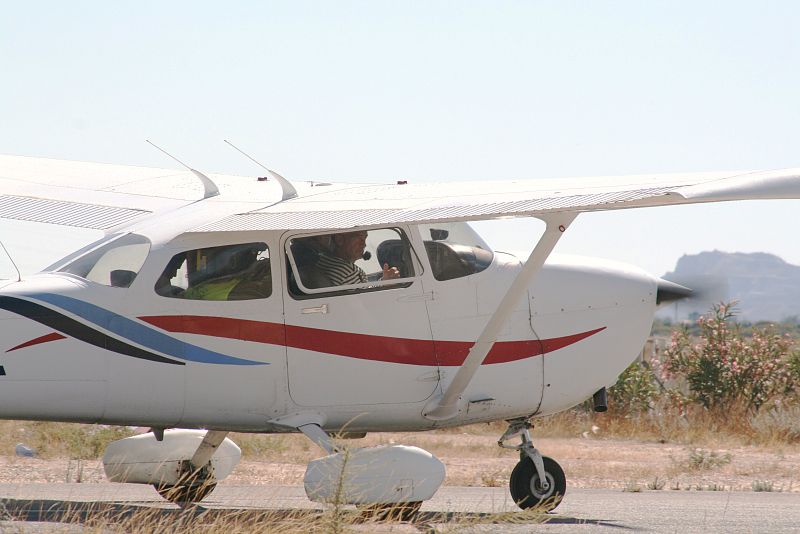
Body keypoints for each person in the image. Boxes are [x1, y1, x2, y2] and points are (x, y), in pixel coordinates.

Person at [313, 230, 400, 287]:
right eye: (360, 239)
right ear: (339, 239)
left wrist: (383, 281)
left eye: (365, 239)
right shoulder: (348, 273)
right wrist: (386, 284)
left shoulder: (322, 259)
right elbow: (368, 301)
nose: (364, 244)